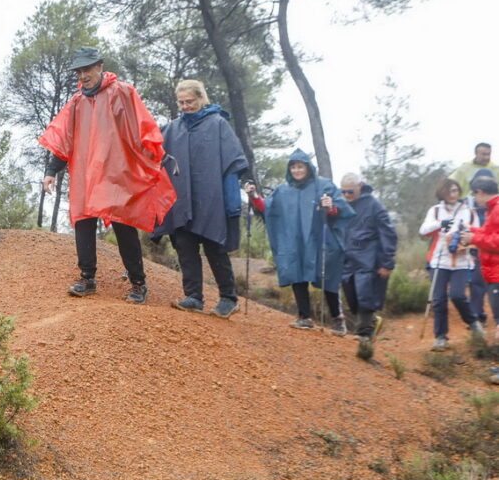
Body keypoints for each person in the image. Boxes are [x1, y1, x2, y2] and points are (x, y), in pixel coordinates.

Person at [39, 47, 175, 303]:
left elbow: (143, 126)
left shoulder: (123, 92)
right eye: (79, 71)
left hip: (116, 171)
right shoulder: (76, 102)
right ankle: (87, 278)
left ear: (99, 66)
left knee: (123, 223)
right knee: (83, 220)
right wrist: (50, 172)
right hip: (85, 172)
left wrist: (158, 156)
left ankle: (138, 283)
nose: (83, 75)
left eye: (87, 69)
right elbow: (64, 140)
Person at [152, 79, 247, 317]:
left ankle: (228, 298)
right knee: (185, 246)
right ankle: (194, 296)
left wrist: (233, 199)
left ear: (201, 99)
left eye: (190, 101)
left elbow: (234, 162)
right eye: (181, 102)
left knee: (215, 246)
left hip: (211, 198)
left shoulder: (217, 124)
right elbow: (153, 154)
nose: (185, 106)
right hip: (181, 198)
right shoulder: (172, 129)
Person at [243, 150, 353, 331]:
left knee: (327, 276)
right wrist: (254, 196)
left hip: (320, 242)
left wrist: (330, 207)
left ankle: (337, 319)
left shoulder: (324, 185)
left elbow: (341, 210)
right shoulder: (283, 191)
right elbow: (267, 208)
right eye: (293, 167)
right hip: (295, 242)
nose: (297, 170)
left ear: (308, 167)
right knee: (297, 272)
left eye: (300, 166)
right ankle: (305, 317)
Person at [419, 178, 484, 349]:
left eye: (456, 190)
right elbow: (423, 230)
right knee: (439, 299)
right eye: (450, 191)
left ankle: (473, 322)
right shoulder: (435, 211)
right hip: (439, 260)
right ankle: (440, 337)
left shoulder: (469, 211)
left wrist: (463, 239)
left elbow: (477, 233)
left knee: (457, 295)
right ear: (442, 193)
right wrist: (440, 224)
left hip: (461, 261)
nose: (453, 194)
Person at [338, 173, 398, 358]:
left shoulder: (374, 205)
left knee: (366, 296)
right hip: (347, 260)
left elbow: (388, 234)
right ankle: (371, 322)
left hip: (369, 259)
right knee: (352, 299)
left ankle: (364, 338)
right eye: (343, 191)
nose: (347, 194)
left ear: (360, 186)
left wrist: (386, 262)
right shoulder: (343, 206)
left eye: (350, 191)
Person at [461, 176, 499, 352]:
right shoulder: (492, 209)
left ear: (480, 192)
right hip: (492, 272)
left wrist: (474, 238)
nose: (475, 199)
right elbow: (488, 232)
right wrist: (470, 231)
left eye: (474, 195)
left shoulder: (497, 209)